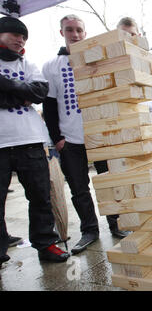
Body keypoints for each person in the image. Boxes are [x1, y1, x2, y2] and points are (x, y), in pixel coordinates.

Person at [42, 15, 129, 257]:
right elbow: (49, 105)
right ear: (62, 32)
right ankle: (90, 230)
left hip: (100, 133)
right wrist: (57, 138)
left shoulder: (97, 60)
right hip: (70, 139)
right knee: (79, 189)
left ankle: (116, 223)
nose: (75, 34)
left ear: (85, 32)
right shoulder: (51, 66)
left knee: (109, 182)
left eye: (79, 30)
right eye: (70, 30)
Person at [93, 17, 152, 214]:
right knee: (135, 164)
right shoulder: (111, 61)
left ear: (139, 35)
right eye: (125, 34)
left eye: (133, 34)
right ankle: (142, 202)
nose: (130, 38)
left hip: (151, 117)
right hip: (127, 120)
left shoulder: (150, 58)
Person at [0, 16, 69, 268]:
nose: (20, 40)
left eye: (24, 37)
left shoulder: (29, 64)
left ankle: (46, 244)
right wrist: (21, 92)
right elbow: (27, 93)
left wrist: (6, 86)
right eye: (14, 35)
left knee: (41, 197)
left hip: (30, 139)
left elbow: (39, 92)